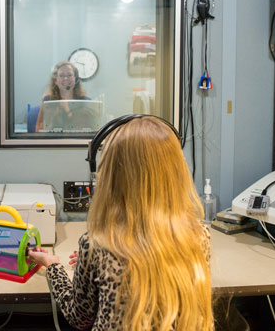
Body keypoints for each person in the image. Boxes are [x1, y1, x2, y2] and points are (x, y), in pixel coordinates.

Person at [28, 116, 213, 331]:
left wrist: (52, 265)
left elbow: (79, 317)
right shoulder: (199, 236)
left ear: (112, 175)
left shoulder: (97, 243)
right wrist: (96, 266)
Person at [35, 61, 89, 132]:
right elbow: (38, 129)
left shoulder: (84, 101)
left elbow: (83, 130)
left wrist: (68, 111)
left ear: (75, 79)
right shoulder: (48, 100)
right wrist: (51, 118)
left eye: (69, 75)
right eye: (61, 75)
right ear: (55, 81)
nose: (65, 78)